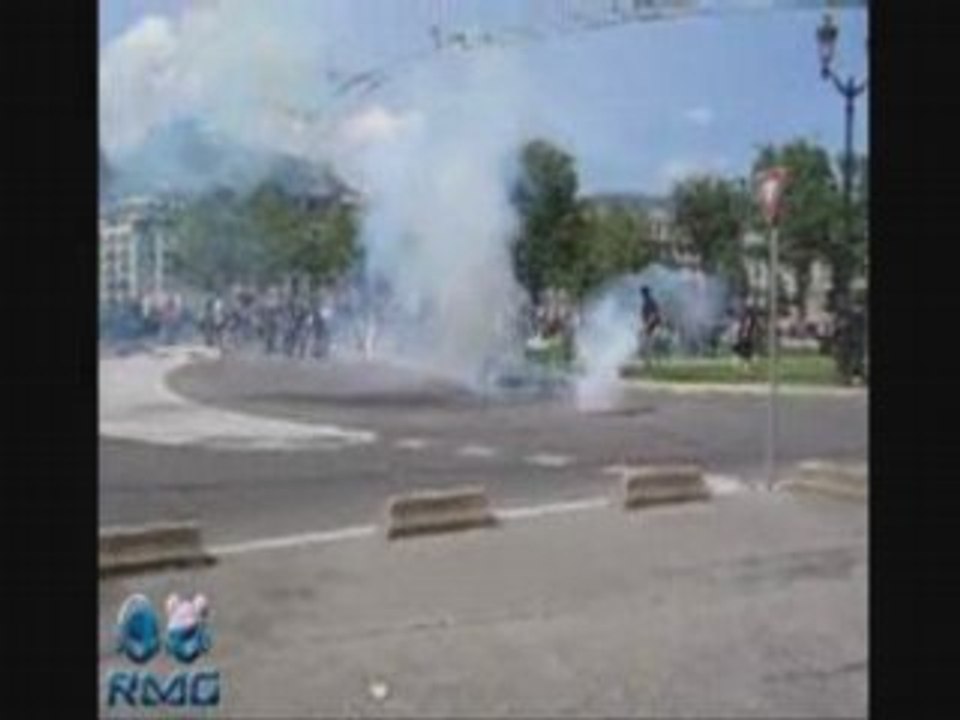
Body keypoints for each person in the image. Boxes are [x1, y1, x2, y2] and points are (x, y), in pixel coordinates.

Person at [638, 285, 662, 364]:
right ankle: (649, 361)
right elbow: (644, 315)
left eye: (643, 293)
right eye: (642, 293)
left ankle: (651, 361)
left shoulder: (650, 302)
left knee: (649, 343)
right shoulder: (646, 302)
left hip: (653, 325)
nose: (642, 295)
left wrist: (648, 324)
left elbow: (655, 315)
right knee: (645, 342)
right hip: (649, 325)